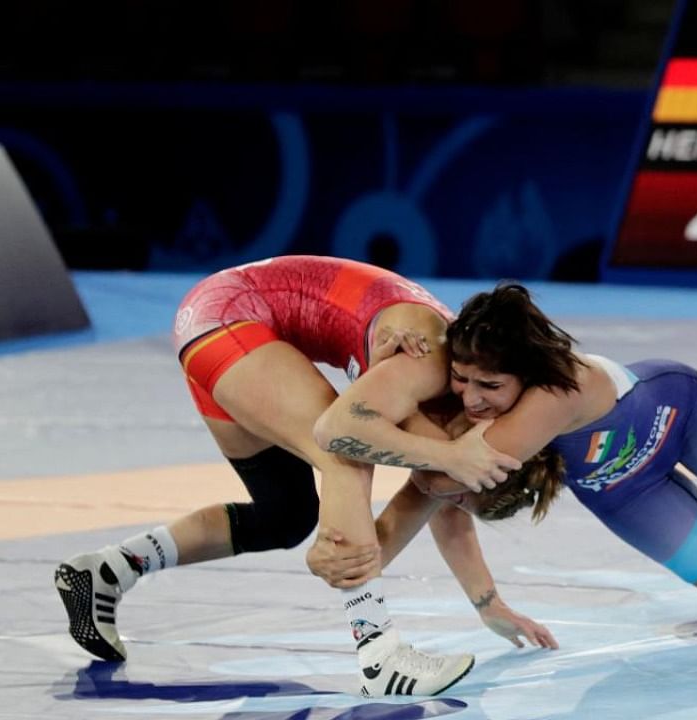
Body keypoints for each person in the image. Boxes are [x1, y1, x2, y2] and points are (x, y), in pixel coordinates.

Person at [53, 256, 537, 698]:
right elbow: (340, 432)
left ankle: (107, 570)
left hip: (223, 326)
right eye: (454, 488)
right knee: (347, 454)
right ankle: (380, 657)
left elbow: (442, 504)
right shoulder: (430, 363)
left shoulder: (465, 396)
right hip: (232, 317)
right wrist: (448, 458)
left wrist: (487, 603)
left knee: (283, 516)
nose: (436, 493)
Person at [313, 283, 697, 626]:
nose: (471, 399)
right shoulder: (486, 394)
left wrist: (359, 546)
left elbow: (434, 484)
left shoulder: (556, 394)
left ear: (526, 375)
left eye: (488, 387)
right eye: (463, 380)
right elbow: (437, 487)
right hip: (623, 488)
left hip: (684, 418)